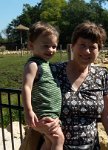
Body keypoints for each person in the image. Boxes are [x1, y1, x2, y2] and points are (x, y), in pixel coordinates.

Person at [34, 21, 108, 150]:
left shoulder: (102, 75)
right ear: (73, 46)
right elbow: (33, 100)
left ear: (99, 50)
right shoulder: (52, 71)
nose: (87, 51)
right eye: (82, 45)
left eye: (92, 47)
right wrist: (38, 125)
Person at [21, 21, 64, 150]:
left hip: (50, 114)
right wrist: (28, 111)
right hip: (43, 113)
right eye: (46, 46)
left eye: (54, 46)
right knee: (58, 138)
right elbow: (26, 87)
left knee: (49, 142)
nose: (51, 50)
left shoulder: (45, 64)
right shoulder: (33, 65)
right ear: (31, 45)